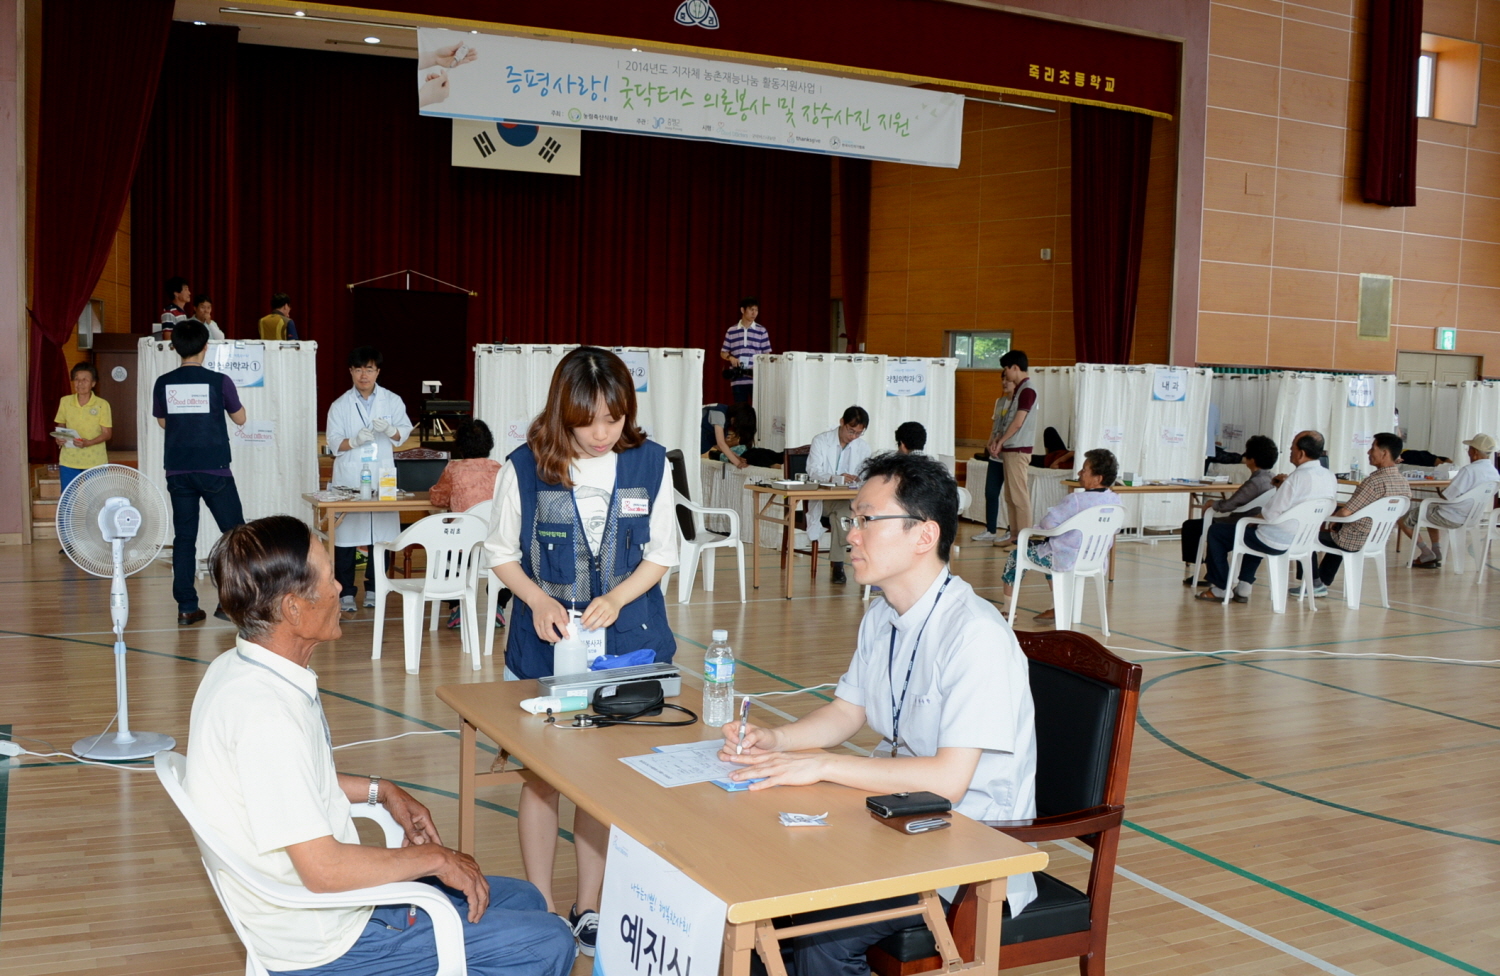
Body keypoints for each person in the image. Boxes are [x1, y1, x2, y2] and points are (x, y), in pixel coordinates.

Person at [190, 515, 575, 976]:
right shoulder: (266, 714)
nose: (339, 587)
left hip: (327, 912)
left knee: (526, 898)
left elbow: (284, 785)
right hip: (330, 942)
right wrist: (432, 858)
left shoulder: (240, 669)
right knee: (549, 942)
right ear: (293, 608)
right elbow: (324, 871)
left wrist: (381, 790)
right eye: (329, 577)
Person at [720, 451, 1036, 976]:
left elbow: (949, 781)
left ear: (924, 535)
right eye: (853, 519)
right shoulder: (882, 613)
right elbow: (847, 712)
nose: (851, 535)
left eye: (867, 519)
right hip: (895, 818)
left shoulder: (975, 635)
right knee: (758, 882)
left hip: (967, 842)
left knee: (819, 932)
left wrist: (823, 764)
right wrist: (776, 740)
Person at [483, 346, 679, 955]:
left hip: (627, 644)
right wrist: (537, 599)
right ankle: (543, 907)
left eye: (613, 420)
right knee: (543, 780)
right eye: (587, 422)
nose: (601, 434)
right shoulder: (524, 466)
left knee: (601, 780)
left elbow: (661, 553)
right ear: (562, 414)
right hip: (545, 648)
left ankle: (588, 905)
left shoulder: (650, 463)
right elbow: (501, 554)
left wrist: (617, 598)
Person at [151, 319, 246, 626]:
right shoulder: (219, 381)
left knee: (184, 538)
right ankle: (229, 603)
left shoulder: (163, 382)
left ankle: (187, 607)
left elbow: (163, 422)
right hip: (214, 468)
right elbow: (240, 419)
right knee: (236, 535)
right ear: (206, 346)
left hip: (178, 469)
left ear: (175, 348)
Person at [1198, 430, 1337, 603]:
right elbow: (1327, 510)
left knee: (1218, 532)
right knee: (1255, 531)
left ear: (1301, 453)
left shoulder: (1295, 478)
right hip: (1304, 540)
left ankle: (1220, 588)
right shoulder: (1329, 476)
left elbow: (1269, 514)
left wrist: (1257, 518)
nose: (1290, 451)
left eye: (1292, 448)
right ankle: (1243, 586)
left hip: (1277, 540)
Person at [325, 347, 413, 612]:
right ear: (351, 371)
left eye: (369, 369)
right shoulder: (340, 405)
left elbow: (403, 434)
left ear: (378, 371)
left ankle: (375, 589)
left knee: (381, 538)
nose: (364, 375)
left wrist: (391, 430)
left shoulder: (392, 400)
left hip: (381, 477)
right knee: (346, 538)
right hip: (350, 477)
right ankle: (346, 593)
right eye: (359, 369)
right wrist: (353, 441)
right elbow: (333, 443)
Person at [1001, 448, 1122, 622]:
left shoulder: (1076, 500)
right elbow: (1115, 529)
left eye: (1084, 470)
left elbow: (1048, 524)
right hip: (1094, 559)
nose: (1079, 473)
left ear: (1098, 479)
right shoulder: (1116, 501)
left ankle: (1008, 609)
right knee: (1048, 551)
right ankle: (1056, 607)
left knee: (1017, 556)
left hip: (1066, 558)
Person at [1295, 432, 1410, 596]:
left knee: (1305, 534)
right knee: (1341, 531)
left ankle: (1313, 582)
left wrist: (1332, 520)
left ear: (1384, 453)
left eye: (1372, 448)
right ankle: (1321, 582)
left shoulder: (1374, 481)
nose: (1368, 452)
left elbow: (1345, 512)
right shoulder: (1403, 482)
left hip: (1354, 538)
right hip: (1378, 539)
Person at [428, 418, 505, 630]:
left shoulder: (453, 469)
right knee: (512, 558)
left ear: (460, 445)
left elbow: (438, 499)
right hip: (494, 548)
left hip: (462, 551)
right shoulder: (500, 470)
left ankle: (456, 607)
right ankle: (498, 606)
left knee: (440, 552)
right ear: (489, 444)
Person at [1180, 434, 1277, 586]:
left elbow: (1230, 504)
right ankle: (1230, 578)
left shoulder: (1255, 482)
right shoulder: (1273, 478)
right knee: (1198, 527)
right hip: (1256, 523)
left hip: (1238, 523)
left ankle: (1206, 571)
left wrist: (1213, 503)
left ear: (1251, 459)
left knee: (1191, 526)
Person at [1399, 432, 1500, 568]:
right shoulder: (1494, 473)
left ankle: (1426, 552)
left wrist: (1441, 491)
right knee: (1429, 509)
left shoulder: (1468, 471)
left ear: (1475, 452)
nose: (1468, 452)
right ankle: (1436, 551)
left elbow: (1447, 496)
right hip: (1471, 517)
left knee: (1403, 519)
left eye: (1469, 449)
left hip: (1450, 517)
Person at [807, 406, 872, 585]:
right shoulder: (821, 441)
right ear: (842, 422)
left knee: (843, 511)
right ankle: (841, 562)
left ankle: (838, 563)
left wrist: (859, 478)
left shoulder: (863, 447)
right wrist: (835, 478)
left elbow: (868, 474)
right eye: (851, 431)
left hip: (849, 501)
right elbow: (813, 471)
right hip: (823, 499)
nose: (853, 436)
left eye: (858, 433)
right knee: (844, 510)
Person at [994, 350, 1036, 547]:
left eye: (1007, 369)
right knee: (1011, 496)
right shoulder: (1019, 390)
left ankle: (1024, 541)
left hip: (1018, 449)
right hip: (1011, 448)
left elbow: (1018, 422)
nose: (1006, 373)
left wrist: (1001, 441)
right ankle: (1014, 535)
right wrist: (999, 440)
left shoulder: (1027, 390)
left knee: (1019, 497)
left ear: (1015, 367)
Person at [52, 362, 113, 495]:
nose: (80, 383)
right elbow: (61, 424)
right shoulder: (65, 401)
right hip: (69, 459)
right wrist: (60, 436)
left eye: (85, 380)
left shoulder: (102, 404)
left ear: (93, 383)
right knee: (67, 498)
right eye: (77, 379)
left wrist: (88, 443)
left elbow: (107, 433)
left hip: (95, 460)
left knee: (95, 498)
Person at [972, 374, 1013, 543]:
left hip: (1011, 454)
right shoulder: (1000, 402)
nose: (1004, 383)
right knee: (990, 491)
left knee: (1012, 495)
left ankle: (1012, 530)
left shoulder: (1019, 402)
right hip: (996, 455)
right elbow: (995, 425)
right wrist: (989, 443)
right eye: (1003, 379)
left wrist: (1002, 442)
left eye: (1008, 380)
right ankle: (990, 530)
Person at [720, 296, 771, 404]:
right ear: (743, 310)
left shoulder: (761, 330)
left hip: (756, 377)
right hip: (737, 378)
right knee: (740, 409)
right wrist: (731, 358)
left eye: (756, 310)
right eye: (751, 309)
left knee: (757, 409)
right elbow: (723, 352)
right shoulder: (731, 330)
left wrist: (762, 368)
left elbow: (767, 354)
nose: (754, 313)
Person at [700, 402, 757, 469]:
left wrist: (735, 457)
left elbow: (714, 443)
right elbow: (720, 443)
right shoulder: (719, 414)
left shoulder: (726, 418)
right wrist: (738, 463)